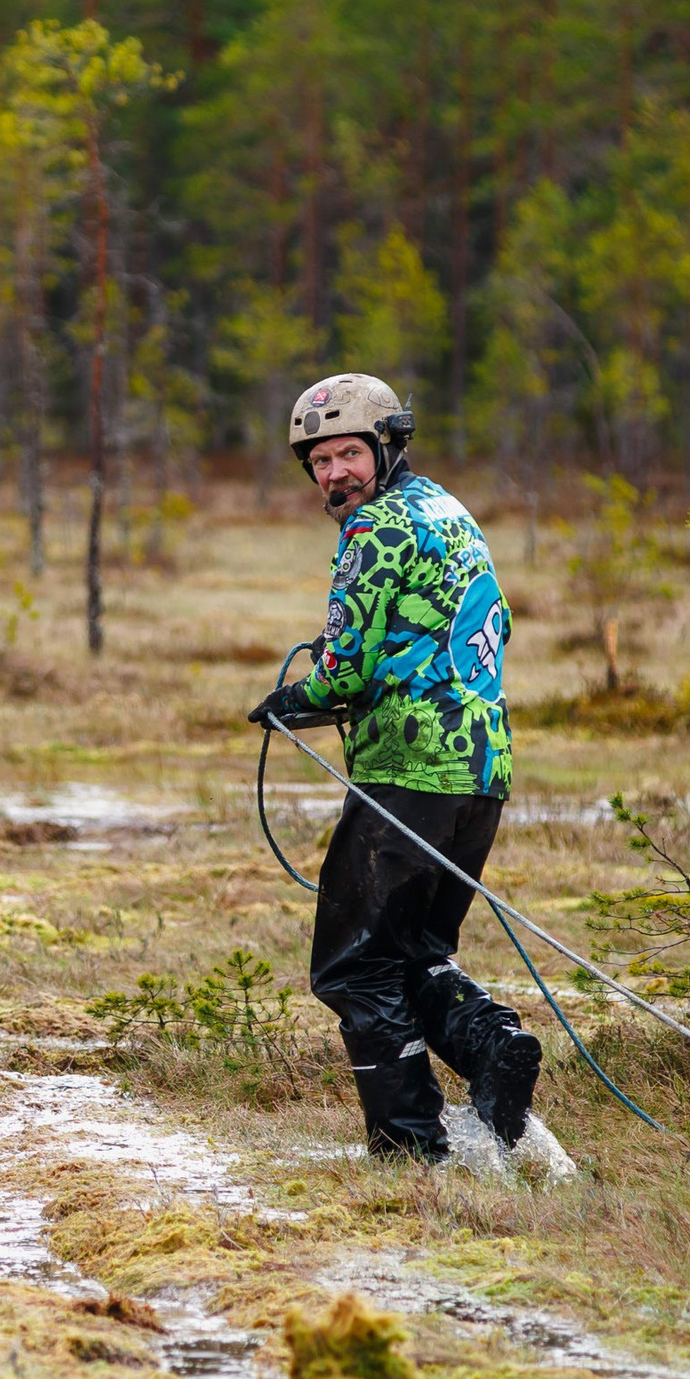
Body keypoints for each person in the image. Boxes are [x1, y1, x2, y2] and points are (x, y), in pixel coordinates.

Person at [246, 373, 537, 1161]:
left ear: (387, 445)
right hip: (484, 772)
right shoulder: (447, 508)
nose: (334, 474)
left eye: (348, 453)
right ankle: (493, 1047)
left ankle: (411, 1148)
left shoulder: (372, 531)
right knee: (412, 952)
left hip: (410, 774)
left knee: (352, 967)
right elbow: (494, 623)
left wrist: (289, 698)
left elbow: (344, 671)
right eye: (319, 461)